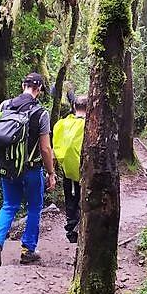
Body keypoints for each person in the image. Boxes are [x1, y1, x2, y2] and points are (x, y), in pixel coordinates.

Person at [0, 73, 56, 266]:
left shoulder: (4, 106)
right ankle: (28, 250)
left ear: (22, 85)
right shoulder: (41, 113)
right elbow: (45, 148)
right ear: (40, 89)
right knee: (34, 207)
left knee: (9, 205)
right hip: (32, 170)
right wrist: (51, 173)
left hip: (7, 167)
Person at [53, 95, 87, 243]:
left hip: (67, 170)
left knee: (71, 200)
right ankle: (82, 229)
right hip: (85, 171)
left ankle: (71, 229)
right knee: (85, 200)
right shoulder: (90, 125)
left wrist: (52, 170)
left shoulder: (62, 124)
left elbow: (55, 146)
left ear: (74, 107)